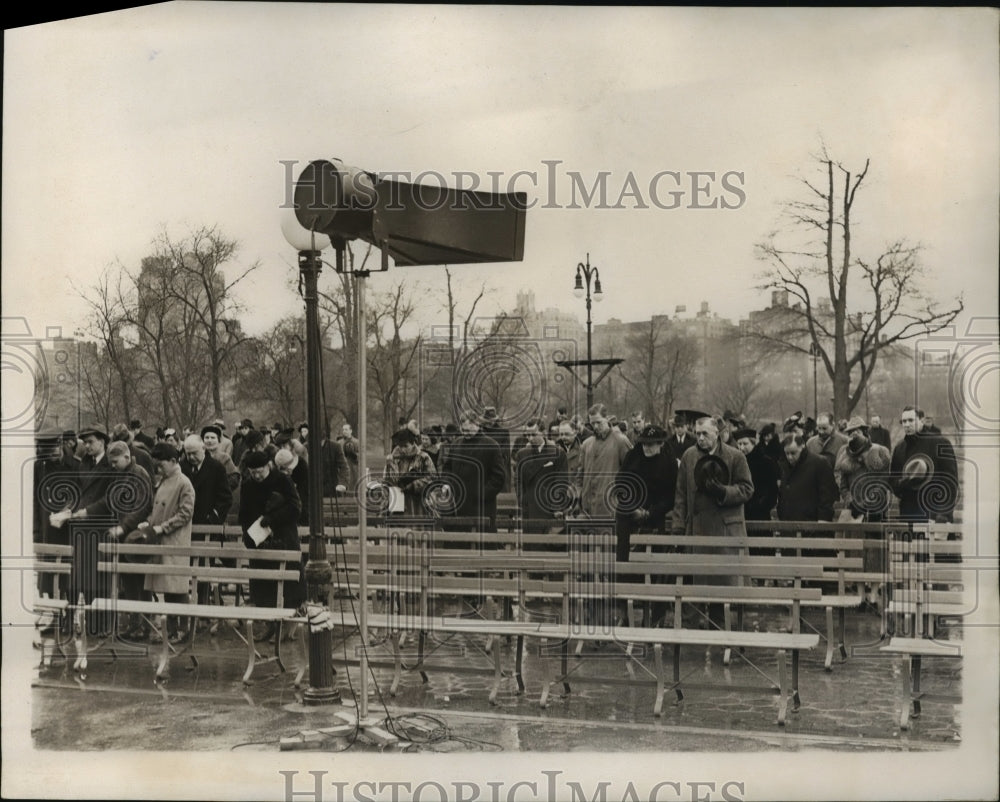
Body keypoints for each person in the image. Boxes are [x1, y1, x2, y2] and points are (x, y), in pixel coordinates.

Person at [672, 416, 754, 627]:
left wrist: (723, 491)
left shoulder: (735, 456)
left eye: (705, 434)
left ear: (717, 433)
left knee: (721, 585)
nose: (700, 438)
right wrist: (678, 528)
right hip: (696, 529)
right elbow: (680, 494)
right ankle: (689, 637)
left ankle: (722, 634)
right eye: (697, 434)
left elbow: (747, 489)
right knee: (694, 585)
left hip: (724, 531)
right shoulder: (689, 456)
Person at [136, 443, 195, 644]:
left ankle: (183, 629)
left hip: (175, 541)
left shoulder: (184, 483)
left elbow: (185, 513)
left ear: (173, 461)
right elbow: (156, 509)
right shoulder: (163, 482)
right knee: (166, 588)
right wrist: (150, 523)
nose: (158, 469)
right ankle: (170, 629)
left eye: (161, 465)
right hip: (160, 540)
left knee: (177, 588)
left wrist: (164, 527)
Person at [239, 450, 304, 612]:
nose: (256, 476)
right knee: (263, 587)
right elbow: (244, 514)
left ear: (268, 466)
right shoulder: (247, 485)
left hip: (283, 538)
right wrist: (247, 534)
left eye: (259, 472)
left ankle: (288, 621)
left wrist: (273, 519)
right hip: (259, 541)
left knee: (289, 589)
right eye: (252, 473)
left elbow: (295, 508)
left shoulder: (282, 480)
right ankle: (267, 622)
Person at [614, 424, 677, 561]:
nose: (646, 448)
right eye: (643, 444)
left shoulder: (668, 460)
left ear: (660, 444)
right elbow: (620, 483)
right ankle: (623, 572)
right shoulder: (633, 455)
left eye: (650, 445)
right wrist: (632, 507)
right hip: (630, 510)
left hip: (656, 511)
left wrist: (650, 513)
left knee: (655, 554)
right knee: (623, 550)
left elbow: (671, 494)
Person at [438, 411, 506, 532]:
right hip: (458, 506)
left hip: (482, 507)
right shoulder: (456, 444)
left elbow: (499, 478)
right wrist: (447, 483)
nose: (465, 434)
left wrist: (481, 494)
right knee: (459, 545)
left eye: (468, 430)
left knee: (482, 545)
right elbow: (447, 468)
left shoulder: (491, 446)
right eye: (463, 430)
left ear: (477, 425)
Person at [889, 405, 959, 523]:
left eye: (911, 420)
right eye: (904, 421)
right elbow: (893, 479)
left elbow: (950, 480)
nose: (907, 424)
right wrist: (901, 483)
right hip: (908, 512)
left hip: (934, 512)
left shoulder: (940, 443)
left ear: (922, 420)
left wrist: (944, 513)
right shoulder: (899, 448)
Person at [513, 418, 570, 534]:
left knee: (549, 545)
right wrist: (522, 500)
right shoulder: (522, 454)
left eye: (533, 434)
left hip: (549, 508)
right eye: (527, 435)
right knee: (531, 544)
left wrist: (556, 506)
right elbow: (518, 480)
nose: (530, 438)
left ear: (543, 433)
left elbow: (561, 481)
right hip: (529, 507)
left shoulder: (558, 453)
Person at [578, 404, 632, 520]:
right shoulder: (587, 444)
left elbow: (631, 474)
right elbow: (580, 474)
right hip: (587, 510)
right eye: (592, 424)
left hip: (610, 509)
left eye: (599, 422)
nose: (596, 426)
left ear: (607, 419)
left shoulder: (620, 441)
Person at [776, 433, 838, 522]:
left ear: (802, 447)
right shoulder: (785, 466)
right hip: (789, 522)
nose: (790, 457)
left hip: (812, 523)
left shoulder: (820, 463)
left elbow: (827, 495)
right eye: (787, 453)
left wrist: (824, 518)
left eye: (793, 453)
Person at [381, 427, 437, 517]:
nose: (403, 449)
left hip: (418, 503)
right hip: (397, 503)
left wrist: (414, 485)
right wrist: (389, 466)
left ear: (413, 443)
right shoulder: (394, 459)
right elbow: (387, 482)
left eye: (406, 446)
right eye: (400, 446)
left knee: (417, 527)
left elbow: (432, 478)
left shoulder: (423, 457)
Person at [733, 427, 779, 523]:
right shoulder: (735, 463)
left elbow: (772, 492)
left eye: (745, 444)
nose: (741, 447)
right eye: (739, 444)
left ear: (753, 444)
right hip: (739, 515)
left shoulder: (766, 462)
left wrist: (758, 506)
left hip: (760, 516)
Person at [201, 424, 241, 491]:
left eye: (213, 438)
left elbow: (234, 478)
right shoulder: (197, 457)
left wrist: (221, 488)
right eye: (207, 438)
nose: (209, 441)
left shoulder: (224, 458)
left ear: (218, 441)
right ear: (203, 440)